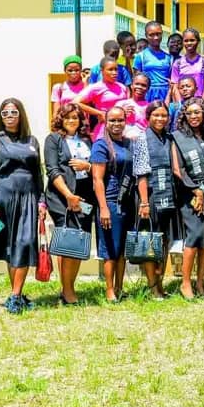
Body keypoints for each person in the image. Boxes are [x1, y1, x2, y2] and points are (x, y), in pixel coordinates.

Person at [0, 99, 46, 314]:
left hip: (29, 198)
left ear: (21, 115)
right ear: (1, 117)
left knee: (25, 243)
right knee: (11, 247)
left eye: (13, 112)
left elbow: (38, 174)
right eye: (5, 113)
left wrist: (41, 200)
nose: (9, 116)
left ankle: (15, 295)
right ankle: (16, 295)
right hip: (4, 200)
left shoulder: (32, 141)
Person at [91, 106, 150, 302]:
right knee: (111, 249)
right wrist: (103, 208)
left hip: (128, 201)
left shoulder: (129, 143)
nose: (116, 124)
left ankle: (119, 287)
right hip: (110, 202)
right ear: (106, 122)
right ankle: (109, 290)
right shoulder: (101, 145)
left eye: (120, 120)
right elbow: (97, 180)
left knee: (123, 248)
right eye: (112, 120)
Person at [171, 98, 204, 300]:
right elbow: (178, 169)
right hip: (190, 194)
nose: (193, 116)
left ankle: (200, 282)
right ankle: (185, 283)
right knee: (194, 237)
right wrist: (196, 191)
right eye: (190, 113)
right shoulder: (178, 138)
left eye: (197, 112)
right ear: (184, 115)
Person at [44, 103, 94, 305]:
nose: (72, 120)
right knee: (68, 240)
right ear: (61, 119)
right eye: (68, 117)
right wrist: (68, 196)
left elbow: (97, 166)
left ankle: (68, 286)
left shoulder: (87, 140)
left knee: (79, 240)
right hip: (62, 197)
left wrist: (88, 166)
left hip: (85, 196)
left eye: (75, 117)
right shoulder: (53, 139)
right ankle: (68, 291)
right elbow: (52, 170)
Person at [142, 101, 179, 300]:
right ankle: (152, 286)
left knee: (164, 240)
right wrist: (144, 202)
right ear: (148, 116)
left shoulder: (169, 138)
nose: (160, 119)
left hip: (168, 196)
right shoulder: (141, 138)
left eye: (164, 115)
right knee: (151, 240)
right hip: (150, 196)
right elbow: (140, 173)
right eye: (156, 115)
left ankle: (160, 284)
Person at [74, 56, 129, 141]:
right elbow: (75, 102)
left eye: (116, 69)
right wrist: (99, 113)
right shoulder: (96, 87)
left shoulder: (122, 87)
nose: (114, 72)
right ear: (102, 71)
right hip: (104, 130)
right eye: (110, 69)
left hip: (122, 130)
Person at [170, 28, 204, 102]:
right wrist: (180, 105)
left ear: (198, 41)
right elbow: (175, 87)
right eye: (186, 41)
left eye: (192, 40)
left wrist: (201, 103)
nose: (189, 43)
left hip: (200, 102)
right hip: (183, 104)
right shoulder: (177, 63)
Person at [133, 21, 172, 103]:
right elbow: (137, 81)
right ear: (146, 35)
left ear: (162, 34)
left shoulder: (169, 57)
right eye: (151, 35)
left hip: (165, 95)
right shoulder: (140, 57)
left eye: (158, 34)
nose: (156, 37)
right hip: (147, 94)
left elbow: (170, 79)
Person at [117, 72, 150, 139]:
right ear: (131, 85)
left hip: (142, 140)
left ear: (148, 88)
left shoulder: (149, 107)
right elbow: (111, 122)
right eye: (137, 84)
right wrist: (121, 114)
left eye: (143, 85)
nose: (139, 87)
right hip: (122, 140)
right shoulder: (121, 104)